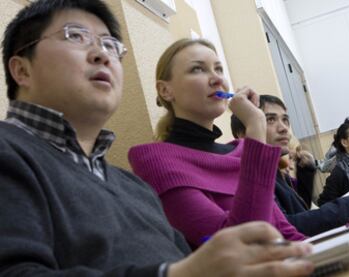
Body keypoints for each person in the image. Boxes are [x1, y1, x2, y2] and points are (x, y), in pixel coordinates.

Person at [0, 0, 315, 276]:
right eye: (76, 36)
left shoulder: (131, 187)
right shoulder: (10, 151)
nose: (101, 54)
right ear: (21, 70)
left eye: (111, 45)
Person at [128, 38, 306, 248]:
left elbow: (284, 232)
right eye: (197, 69)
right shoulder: (156, 162)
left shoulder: (239, 152)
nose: (216, 79)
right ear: (166, 90)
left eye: (219, 69)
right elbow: (243, 245)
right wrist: (256, 125)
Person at [231, 95, 349, 236]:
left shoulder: (276, 174)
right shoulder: (246, 177)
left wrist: (306, 172)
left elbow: (302, 213)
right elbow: (287, 228)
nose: (284, 129)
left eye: (285, 120)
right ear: (244, 133)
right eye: (270, 120)